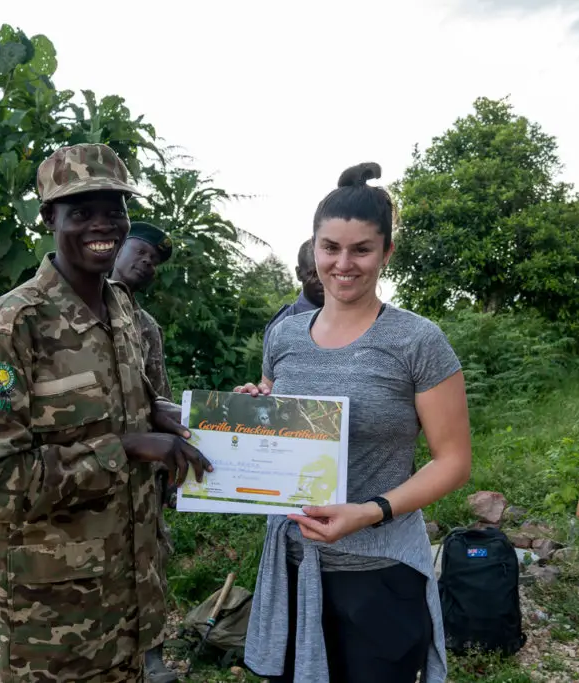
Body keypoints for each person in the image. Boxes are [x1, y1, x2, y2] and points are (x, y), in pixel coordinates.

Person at [0, 142, 212, 683]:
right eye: (82, 212)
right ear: (49, 218)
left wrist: (155, 415)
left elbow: (113, 412)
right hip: (52, 626)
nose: (103, 225)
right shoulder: (13, 324)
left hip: (130, 605)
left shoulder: (121, 311)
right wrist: (128, 448)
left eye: (114, 210)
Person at [235, 163, 472, 683]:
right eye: (330, 248)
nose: (343, 264)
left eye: (361, 249)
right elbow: (284, 435)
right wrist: (253, 411)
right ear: (314, 248)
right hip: (295, 567)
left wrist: (370, 511)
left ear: (386, 253)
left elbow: (454, 461)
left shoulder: (417, 341)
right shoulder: (285, 337)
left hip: (381, 571)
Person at [110, 220, 179, 683]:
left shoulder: (145, 326)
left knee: (147, 560)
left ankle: (149, 653)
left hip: (140, 469)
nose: (147, 264)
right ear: (116, 247)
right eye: (141, 252)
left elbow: (159, 397)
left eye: (154, 262)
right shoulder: (61, 309)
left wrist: (172, 463)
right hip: (84, 465)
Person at [262, 238, 324, 350]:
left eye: (327, 273)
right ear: (299, 274)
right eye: (314, 274)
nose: (322, 281)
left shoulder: (352, 317)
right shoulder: (281, 328)